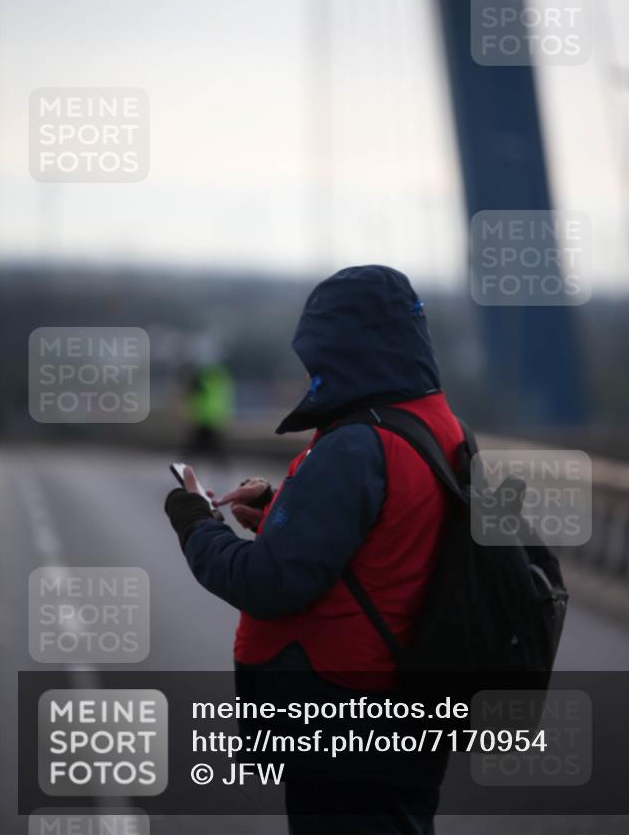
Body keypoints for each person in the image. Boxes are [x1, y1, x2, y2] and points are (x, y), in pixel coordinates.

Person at [165, 264, 464, 834]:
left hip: (344, 714)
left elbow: (266, 583)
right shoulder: (441, 427)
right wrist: (282, 509)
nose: (313, 368)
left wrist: (194, 520)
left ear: (344, 345)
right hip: (410, 702)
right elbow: (397, 530)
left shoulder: (357, 445)